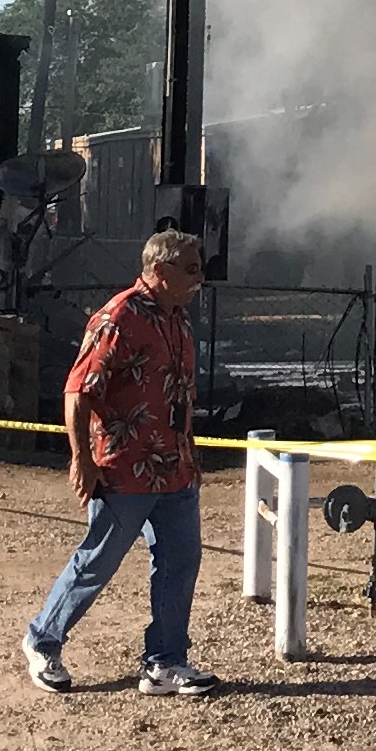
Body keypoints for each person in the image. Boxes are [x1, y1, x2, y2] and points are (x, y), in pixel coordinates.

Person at [20, 228, 221, 696]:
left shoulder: (178, 320)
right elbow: (78, 391)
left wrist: (189, 453)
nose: (200, 278)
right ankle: (43, 640)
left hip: (174, 468)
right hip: (125, 468)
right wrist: (82, 459)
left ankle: (166, 663)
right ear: (160, 270)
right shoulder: (118, 318)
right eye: (191, 269)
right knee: (99, 560)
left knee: (180, 562)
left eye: (201, 268)